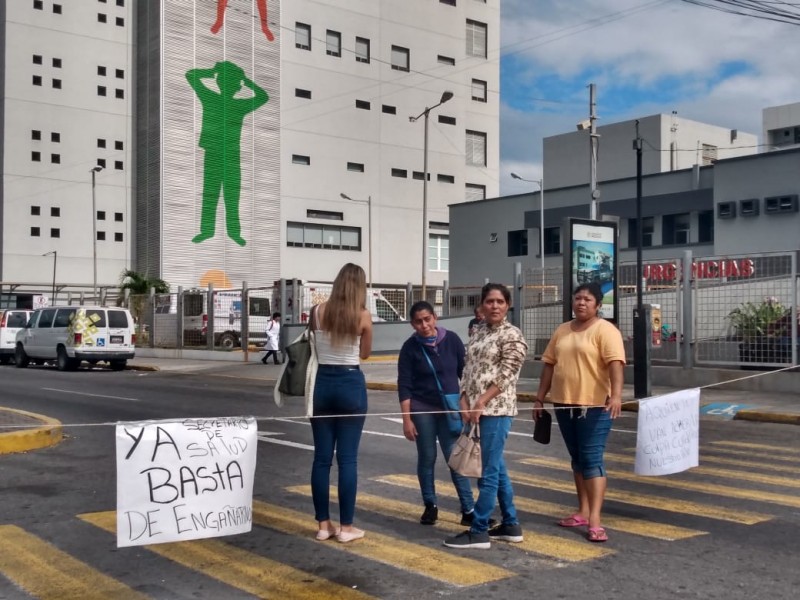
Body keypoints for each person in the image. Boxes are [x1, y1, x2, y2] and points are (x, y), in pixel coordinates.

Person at [534, 282, 625, 543]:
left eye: (587, 299)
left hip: (595, 406)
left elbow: (616, 365)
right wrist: (540, 398)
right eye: (577, 298)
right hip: (564, 404)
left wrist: (617, 396)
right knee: (577, 458)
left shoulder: (605, 330)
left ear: (598, 305)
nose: (581, 303)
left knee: (592, 458)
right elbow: (549, 365)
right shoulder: (562, 330)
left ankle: (595, 519)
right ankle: (582, 511)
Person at [443, 283, 528, 550]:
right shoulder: (478, 331)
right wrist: (465, 398)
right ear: (481, 305)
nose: (494, 306)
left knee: (488, 472)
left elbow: (507, 374)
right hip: (475, 410)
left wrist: (481, 401)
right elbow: (469, 368)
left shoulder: (512, 335)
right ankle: (511, 524)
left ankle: (479, 529)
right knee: (497, 468)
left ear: (508, 305)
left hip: (496, 410)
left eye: (500, 302)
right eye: (489, 301)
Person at [309, 263, 373, 543]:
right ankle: (346, 528)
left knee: (322, 458)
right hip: (350, 384)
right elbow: (366, 354)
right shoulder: (363, 317)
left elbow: (313, 344)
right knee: (347, 459)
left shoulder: (317, 312)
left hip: (321, 384)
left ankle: (324, 526)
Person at [398, 301, 476, 526]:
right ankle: (430, 505)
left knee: (455, 458)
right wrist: (406, 420)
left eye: (427, 319)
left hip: (450, 409)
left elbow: (465, 375)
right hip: (422, 409)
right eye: (418, 321)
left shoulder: (451, 340)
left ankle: (468, 509)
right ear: (412, 324)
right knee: (427, 457)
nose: (423, 325)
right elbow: (404, 385)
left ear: (435, 318)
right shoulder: (409, 347)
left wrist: (467, 406)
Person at [186, 61, 268, 247]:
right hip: (214, 154)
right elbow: (190, 75)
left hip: (231, 157)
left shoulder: (234, 105)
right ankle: (207, 231)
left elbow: (264, 97)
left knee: (231, 196)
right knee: (211, 194)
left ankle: (233, 233)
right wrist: (242, 80)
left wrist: (214, 73)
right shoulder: (211, 99)